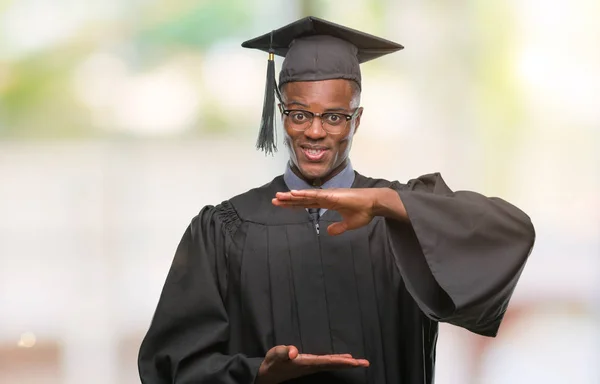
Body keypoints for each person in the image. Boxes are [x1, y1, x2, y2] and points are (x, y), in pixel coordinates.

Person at [138, 16, 535, 384]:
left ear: (356, 119)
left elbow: (512, 233)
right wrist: (255, 373)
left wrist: (385, 203)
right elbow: (171, 364)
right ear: (281, 115)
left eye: (333, 117)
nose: (314, 131)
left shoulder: (402, 212)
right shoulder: (224, 230)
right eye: (298, 115)